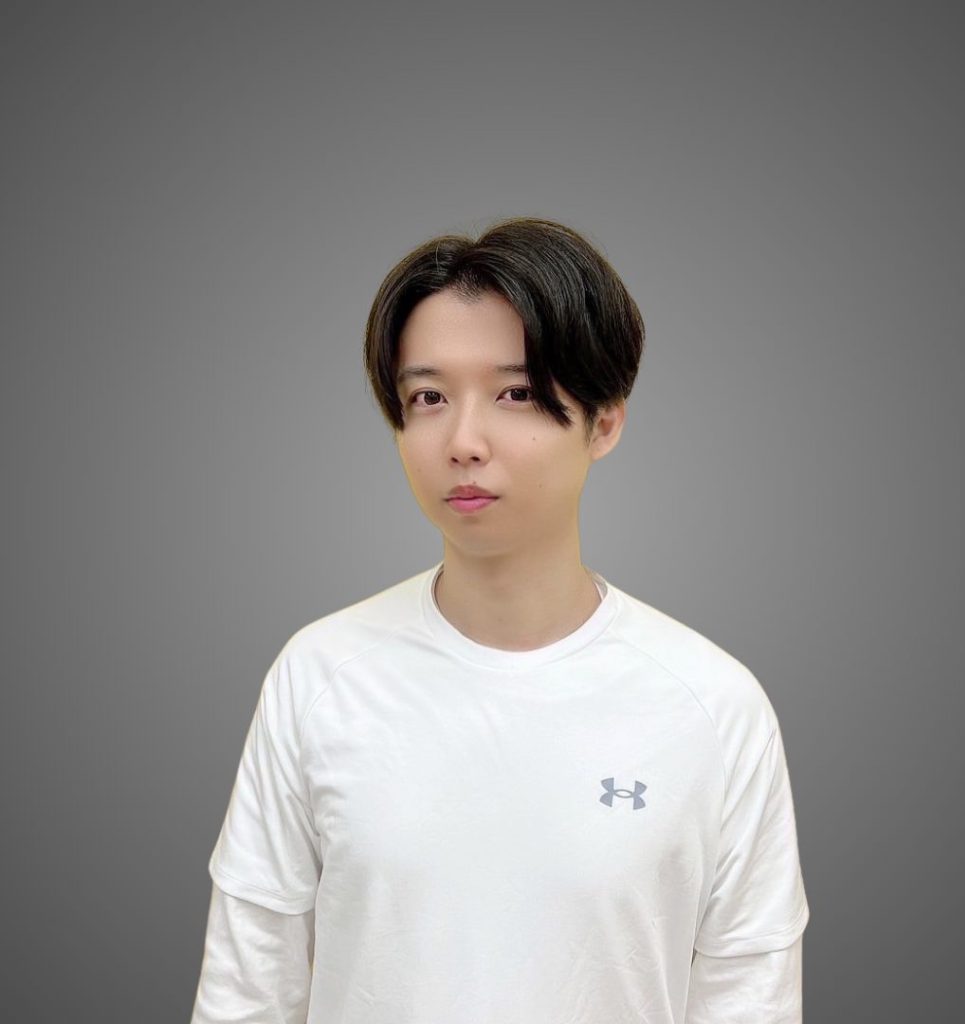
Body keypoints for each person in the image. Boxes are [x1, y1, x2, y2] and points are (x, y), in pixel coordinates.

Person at [189, 216, 810, 1023]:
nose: (464, 441)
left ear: (605, 420)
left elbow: (749, 1004)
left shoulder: (713, 707)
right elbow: (246, 997)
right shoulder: (320, 678)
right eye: (428, 397)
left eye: (515, 392)